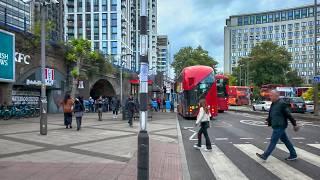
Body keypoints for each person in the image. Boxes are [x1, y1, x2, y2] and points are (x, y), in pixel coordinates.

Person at [256, 90, 299, 161]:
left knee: (273, 140)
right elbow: (272, 113)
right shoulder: (273, 103)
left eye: (271, 95)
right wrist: (268, 120)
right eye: (270, 95)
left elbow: (288, 115)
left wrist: (294, 124)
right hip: (276, 125)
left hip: (280, 125)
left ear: (276, 96)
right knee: (286, 140)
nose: (270, 97)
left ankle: (265, 155)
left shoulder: (282, 104)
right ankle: (293, 154)